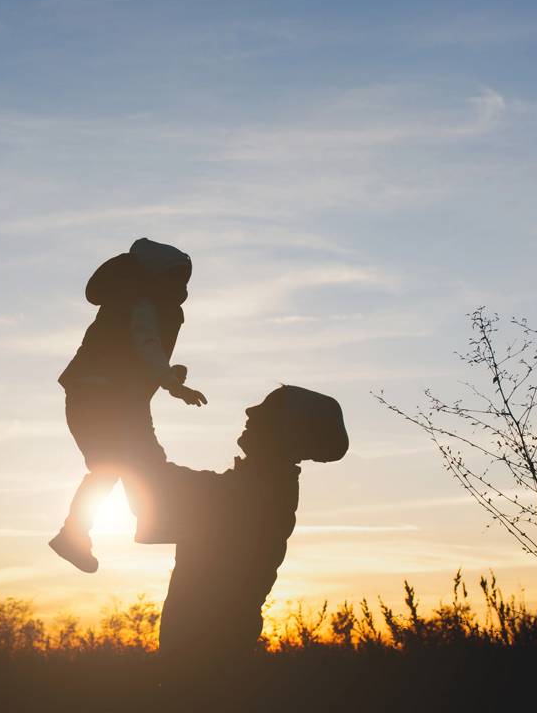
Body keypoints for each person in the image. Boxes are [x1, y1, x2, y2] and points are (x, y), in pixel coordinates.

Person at [154, 385, 349, 701]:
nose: (250, 411)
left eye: (268, 409)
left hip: (203, 672)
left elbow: (151, 479)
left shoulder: (250, 495)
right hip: (208, 665)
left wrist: (128, 408)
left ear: (286, 432)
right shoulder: (261, 489)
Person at [48, 238, 208, 574]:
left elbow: (139, 353)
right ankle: (146, 522)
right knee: (133, 462)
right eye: (176, 278)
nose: (181, 287)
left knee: (116, 465)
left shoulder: (130, 303)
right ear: (156, 276)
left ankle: (79, 533)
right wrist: (172, 382)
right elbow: (146, 344)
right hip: (106, 400)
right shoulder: (141, 304)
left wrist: (168, 376)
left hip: (99, 399)